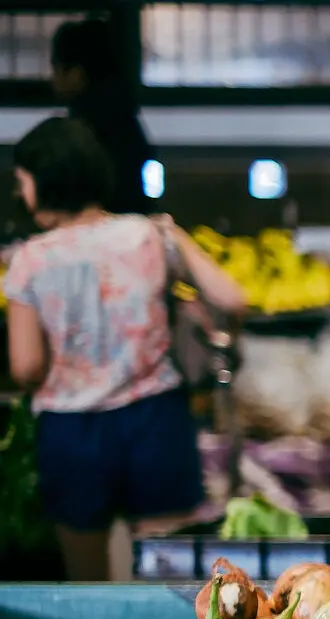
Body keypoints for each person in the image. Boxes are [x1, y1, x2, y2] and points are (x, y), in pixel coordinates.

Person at [4, 117, 246, 580]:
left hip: (72, 432)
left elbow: (26, 366)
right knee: (171, 576)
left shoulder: (31, 260)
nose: (21, 193)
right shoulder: (150, 234)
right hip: (155, 420)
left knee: (88, 584)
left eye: (22, 182)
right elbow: (232, 297)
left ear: (43, 182)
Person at [52, 19, 154, 215]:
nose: (53, 80)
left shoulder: (79, 131)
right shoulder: (127, 119)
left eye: (55, 69)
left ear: (76, 74)